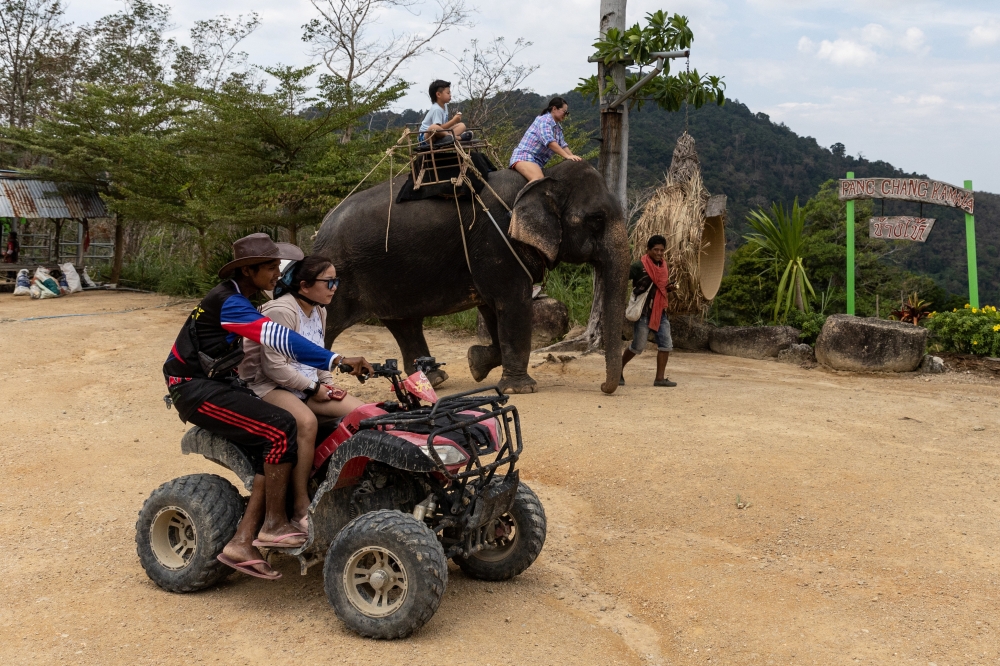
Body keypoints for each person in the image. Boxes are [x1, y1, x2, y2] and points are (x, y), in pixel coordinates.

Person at [163, 233, 372, 580]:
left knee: (274, 430)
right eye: (271, 267)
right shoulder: (228, 302)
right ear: (248, 271)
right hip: (193, 387)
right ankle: (275, 524)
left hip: (221, 383)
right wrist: (336, 360)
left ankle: (243, 541)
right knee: (279, 428)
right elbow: (277, 338)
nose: (278, 274)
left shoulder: (239, 298)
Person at [240, 255, 366, 533]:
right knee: (305, 422)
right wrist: (315, 389)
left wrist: (327, 383)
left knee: (364, 415)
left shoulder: (319, 309)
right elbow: (273, 367)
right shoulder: (280, 311)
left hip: (306, 383)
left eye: (337, 281)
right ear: (305, 285)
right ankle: (300, 506)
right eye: (329, 282)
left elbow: (318, 356)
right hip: (271, 386)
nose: (334, 287)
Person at [620, 235, 677, 387]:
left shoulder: (663, 266)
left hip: (660, 312)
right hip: (643, 312)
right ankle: (617, 370)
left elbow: (661, 287)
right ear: (648, 250)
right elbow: (622, 278)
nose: (659, 253)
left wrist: (669, 289)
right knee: (638, 346)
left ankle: (659, 379)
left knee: (666, 344)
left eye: (662, 250)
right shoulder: (639, 266)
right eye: (656, 250)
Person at [509, 97, 582, 182]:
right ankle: (523, 196)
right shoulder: (544, 120)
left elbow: (563, 145)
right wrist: (567, 156)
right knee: (539, 180)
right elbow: (550, 142)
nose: (566, 115)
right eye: (565, 112)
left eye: (567, 113)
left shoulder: (557, 128)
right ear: (554, 108)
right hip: (525, 157)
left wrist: (574, 158)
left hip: (537, 163)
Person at [418, 79, 471, 147]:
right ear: (438, 94)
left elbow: (442, 128)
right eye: (448, 93)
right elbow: (437, 128)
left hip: (441, 133)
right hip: (426, 137)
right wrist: (453, 121)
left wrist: (454, 122)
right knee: (433, 127)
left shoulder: (444, 105)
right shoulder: (436, 109)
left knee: (462, 125)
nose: (450, 95)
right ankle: (457, 138)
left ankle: (447, 138)